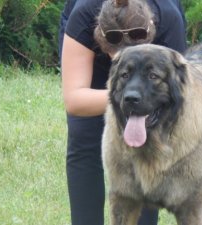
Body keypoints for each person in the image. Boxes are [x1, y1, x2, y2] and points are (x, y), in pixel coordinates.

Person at [58, 0, 187, 224]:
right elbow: (75, 100)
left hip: (154, 54)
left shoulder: (168, 21)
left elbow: (180, 95)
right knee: (84, 137)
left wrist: (146, 100)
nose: (125, 58)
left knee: (149, 147)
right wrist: (123, 96)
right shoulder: (84, 17)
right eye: (117, 54)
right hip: (92, 55)